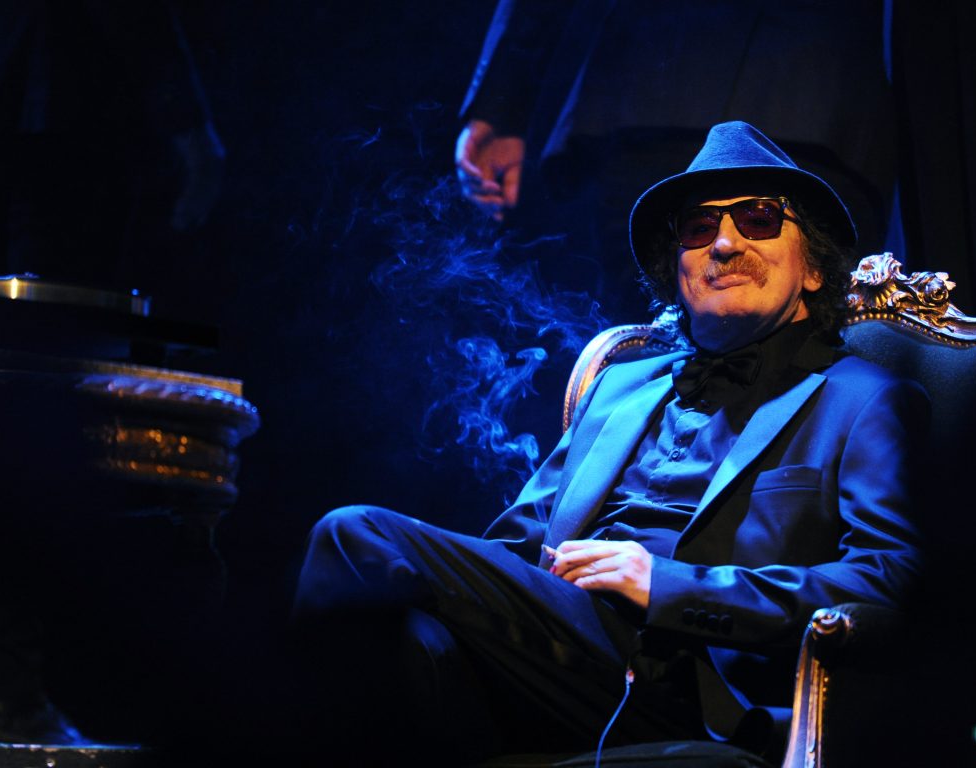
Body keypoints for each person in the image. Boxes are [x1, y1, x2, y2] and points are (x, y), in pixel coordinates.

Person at [292, 121, 926, 764]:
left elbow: (892, 583)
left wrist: (667, 585)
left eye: (759, 219)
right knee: (387, 625)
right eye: (699, 227)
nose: (725, 242)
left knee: (354, 534)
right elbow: (515, 548)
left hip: (693, 686)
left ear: (813, 267)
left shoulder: (863, 399)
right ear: (675, 271)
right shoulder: (620, 387)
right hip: (558, 658)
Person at [455, 2, 899, 323]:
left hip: (671, 89)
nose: (725, 243)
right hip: (812, 99)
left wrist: (502, 106)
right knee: (643, 361)